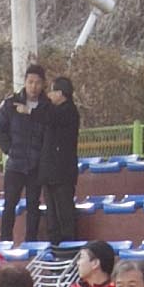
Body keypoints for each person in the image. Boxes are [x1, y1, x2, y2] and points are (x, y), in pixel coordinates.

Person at [0, 64, 53, 243]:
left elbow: (50, 131)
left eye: (38, 83)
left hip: (37, 164)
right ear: (25, 82)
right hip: (15, 164)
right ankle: (5, 240)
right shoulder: (11, 104)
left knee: (33, 205)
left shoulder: (47, 106)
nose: (33, 86)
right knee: (10, 204)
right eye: (30, 82)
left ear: (43, 85)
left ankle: (31, 241)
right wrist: (9, 149)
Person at [39, 71, 84, 240]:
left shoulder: (68, 112)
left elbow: (47, 116)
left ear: (60, 93)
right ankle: (56, 247)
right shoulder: (56, 112)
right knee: (52, 216)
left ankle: (68, 248)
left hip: (62, 172)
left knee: (64, 214)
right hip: (50, 172)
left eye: (52, 91)